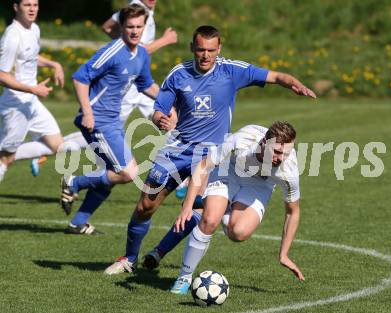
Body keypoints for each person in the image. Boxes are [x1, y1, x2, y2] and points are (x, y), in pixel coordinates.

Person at [104, 25, 315, 275]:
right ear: (192, 48)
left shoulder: (231, 71)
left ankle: (162, 254)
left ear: (219, 49)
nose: (206, 55)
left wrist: (294, 84)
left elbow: (275, 76)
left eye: (211, 50)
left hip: (212, 155)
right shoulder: (179, 74)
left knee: (202, 212)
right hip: (178, 150)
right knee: (145, 206)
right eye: (201, 50)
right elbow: (159, 108)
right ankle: (130, 258)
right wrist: (160, 119)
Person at [59, 4, 160, 234]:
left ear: (145, 27)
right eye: (130, 27)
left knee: (111, 174)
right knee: (127, 172)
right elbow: (80, 78)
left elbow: (146, 85)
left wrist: (170, 100)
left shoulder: (141, 54)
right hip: (98, 120)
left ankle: (78, 222)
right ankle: (73, 182)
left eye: (139, 27)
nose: (135, 31)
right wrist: (87, 112)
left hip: (113, 120)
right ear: (122, 27)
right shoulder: (113, 51)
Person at [170, 121, 305, 294]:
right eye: (277, 152)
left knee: (238, 233)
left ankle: (221, 207)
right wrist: (187, 206)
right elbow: (203, 166)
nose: (281, 158)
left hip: (260, 184)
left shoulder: (288, 171)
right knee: (210, 220)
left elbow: (292, 212)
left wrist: (284, 254)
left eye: (286, 153)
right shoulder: (240, 141)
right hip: (230, 170)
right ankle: (184, 277)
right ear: (264, 142)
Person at [0, 0, 67, 183]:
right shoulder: (12, 36)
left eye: (35, 5)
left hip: (31, 102)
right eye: (27, 5)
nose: (32, 9)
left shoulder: (34, 29)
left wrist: (54, 63)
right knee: (5, 159)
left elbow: (31, 56)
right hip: (15, 105)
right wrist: (32, 88)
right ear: (16, 7)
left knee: (57, 145)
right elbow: (2, 76)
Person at [102, 0, 178, 123]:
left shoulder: (133, 8)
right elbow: (138, 51)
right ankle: (67, 143)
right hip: (128, 84)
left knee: (169, 117)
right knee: (106, 130)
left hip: (141, 81)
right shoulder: (138, 14)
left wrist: (123, 44)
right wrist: (166, 40)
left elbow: (106, 27)